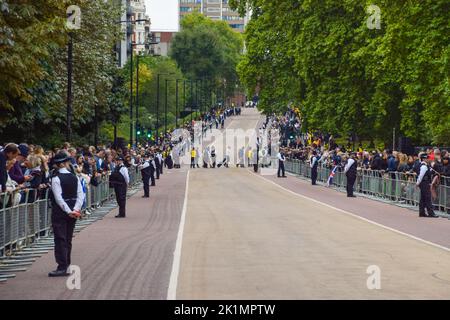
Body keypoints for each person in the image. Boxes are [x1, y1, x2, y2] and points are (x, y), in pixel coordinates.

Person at [49, 151, 83, 277]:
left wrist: (69, 211)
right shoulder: (75, 177)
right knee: (68, 238)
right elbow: (81, 194)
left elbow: (58, 198)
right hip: (73, 210)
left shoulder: (56, 178)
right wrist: (76, 209)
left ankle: (62, 266)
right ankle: (66, 264)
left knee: (60, 238)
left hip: (60, 212)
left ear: (59, 164)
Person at [416, 153, 438, 218]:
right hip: (424, 183)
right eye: (427, 158)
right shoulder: (424, 166)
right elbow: (421, 175)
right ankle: (431, 213)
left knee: (423, 198)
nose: (428, 159)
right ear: (424, 159)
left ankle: (422, 212)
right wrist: (418, 183)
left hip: (424, 183)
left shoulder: (426, 165)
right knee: (428, 198)